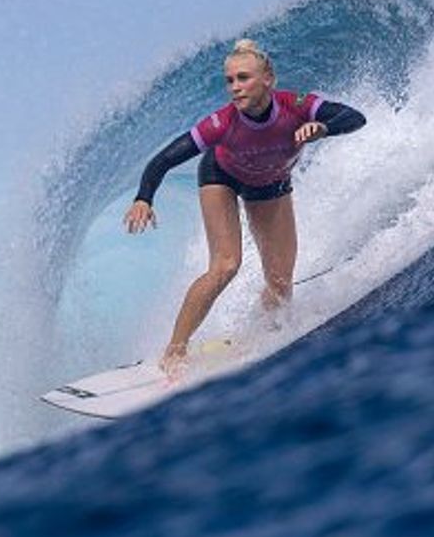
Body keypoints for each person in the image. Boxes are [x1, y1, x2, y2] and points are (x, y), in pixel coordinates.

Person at [124, 39, 366, 379]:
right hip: (221, 176)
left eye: (243, 78)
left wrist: (323, 128)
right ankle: (175, 349)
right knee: (225, 265)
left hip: (270, 183)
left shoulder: (296, 105)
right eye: (230, 81)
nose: (235, 88)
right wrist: (143, 198)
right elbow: (163, 160)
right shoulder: (222, 124)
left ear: (268, 78)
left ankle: (265, 334)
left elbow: (355, 118)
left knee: (280, 281)